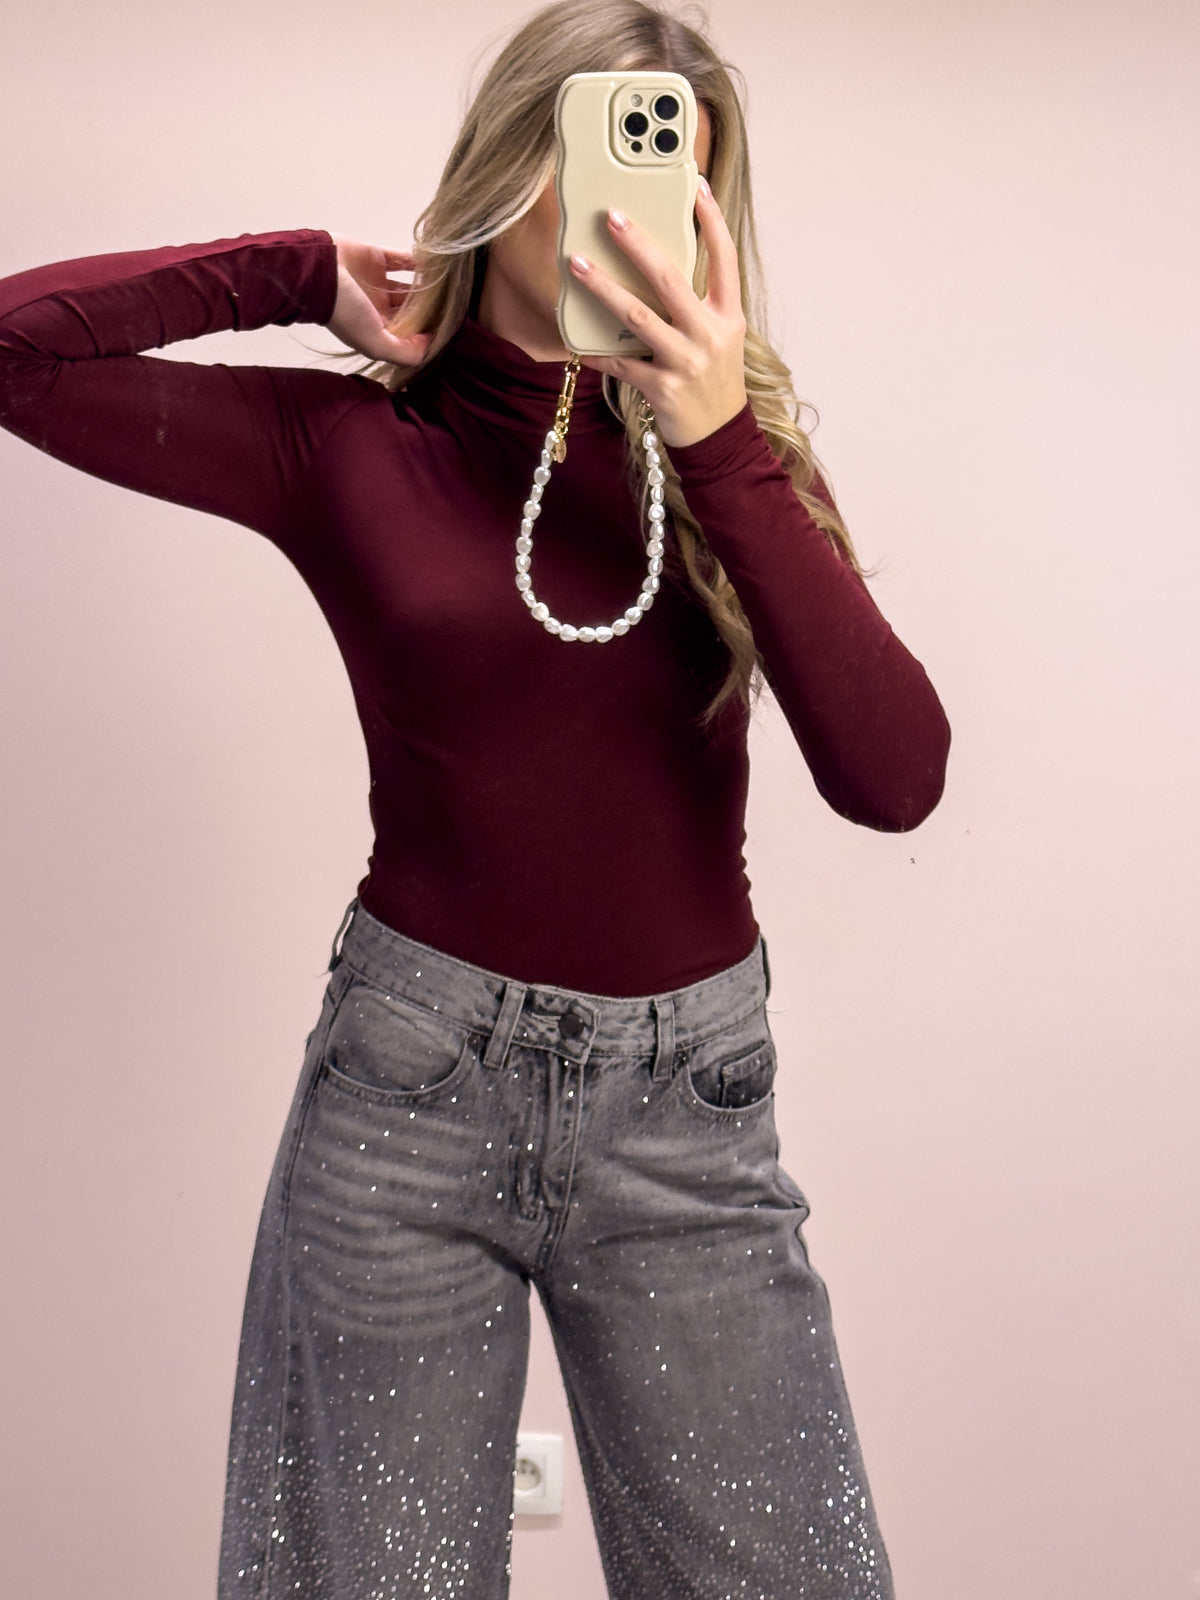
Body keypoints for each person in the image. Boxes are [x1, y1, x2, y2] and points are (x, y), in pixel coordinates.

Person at [0, 2, 949, 1595]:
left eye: (671, 173)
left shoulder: (736, 461)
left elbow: (897, 780)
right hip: (405, 1099)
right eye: (598, 151)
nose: (626, 211)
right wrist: (300, 272)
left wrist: (717, 439)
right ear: (509, 163)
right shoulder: (352, 447)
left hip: (690, 1122)